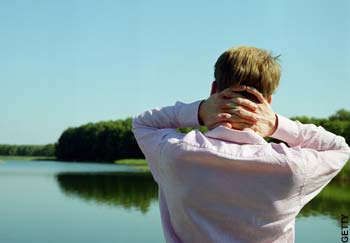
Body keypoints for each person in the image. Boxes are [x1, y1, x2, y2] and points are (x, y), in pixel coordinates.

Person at [131, 46, 350, 243]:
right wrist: (276, 124)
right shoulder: (293, 166)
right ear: (268, 102)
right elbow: (339, 148)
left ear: (213, 89)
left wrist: (198, 111)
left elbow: (143, 123)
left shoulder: (175, 153)